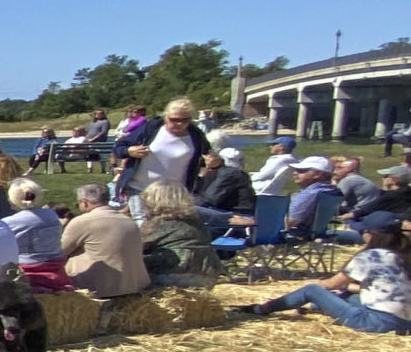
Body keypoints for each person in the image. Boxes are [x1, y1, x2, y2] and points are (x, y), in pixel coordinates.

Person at [230, 215, 409, 335]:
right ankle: (316, 306)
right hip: (405, 324)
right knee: (348, 296)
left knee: (312, 290)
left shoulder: (372, 256)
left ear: (372, 234)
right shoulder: (403, 255)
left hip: (376, 323)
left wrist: (314, 282)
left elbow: (331, 284)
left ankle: (261, 309)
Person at [60, 184, 150, 299]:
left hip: (99, 287)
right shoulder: (129, 221)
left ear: (84, 202)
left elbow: (59, 252)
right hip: (133, 284)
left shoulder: (82, 221)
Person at [119, 97, 209, 197]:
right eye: (174, 119)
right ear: (166, 116)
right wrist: (129, 151)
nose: (179, 123)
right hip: (139, 190)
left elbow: (207, 159)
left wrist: (214, 163)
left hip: (175, 194)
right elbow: (119, 147)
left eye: (185, 120)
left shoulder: (197, 136)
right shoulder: (151, 128)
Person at [135, 182, 219, 277]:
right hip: (206, 269)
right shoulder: (196, 218)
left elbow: (137, 246)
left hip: (173, 271)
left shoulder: (158, 222)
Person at [1, 177, 65, 259]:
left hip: (23, 268)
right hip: (56, 266)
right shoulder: (51, 215)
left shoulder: (9, 222)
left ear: (12, 199)